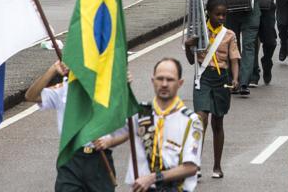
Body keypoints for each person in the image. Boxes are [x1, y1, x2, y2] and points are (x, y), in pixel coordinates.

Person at [25, 60, 128, 191]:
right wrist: (52, 70)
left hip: (99, 160)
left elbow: (128, 130)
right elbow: (30, 96)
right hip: (70, 160)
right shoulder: (63, 90)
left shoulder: (108, 91)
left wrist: (110, 141)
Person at [183, 0, 238, 179]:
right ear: (209, 14)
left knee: (218, 122)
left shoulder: (229, 34)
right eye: (218, 14)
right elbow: (192, 61)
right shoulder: (200, 32)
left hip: (222, 78)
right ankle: (196, 165)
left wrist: (236, 78)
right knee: (200, 119)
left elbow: (234, 59)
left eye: (224, 14)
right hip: (203, 77)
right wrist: (188, 46)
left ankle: (217, 165)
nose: (222, 17)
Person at [127, 58, 203, 192]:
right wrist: (122, 88)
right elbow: (113, 128)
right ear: (152, 81)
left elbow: (191, 167)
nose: (164, 84)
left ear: (180, 83)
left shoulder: (191, 121)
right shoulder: (140, 114)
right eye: (160, 79)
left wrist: (152, 178)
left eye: (170, 79)